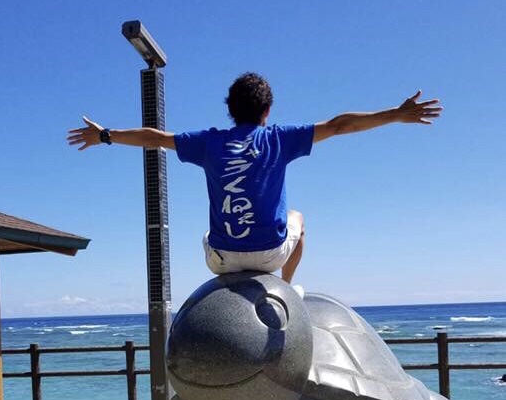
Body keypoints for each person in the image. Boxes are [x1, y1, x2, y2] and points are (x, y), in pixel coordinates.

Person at [67, 72, 442, 284]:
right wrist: (395, 114)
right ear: (268, 110)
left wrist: (105, 136)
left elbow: (155, 138)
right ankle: (286, 288)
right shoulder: (279, 138)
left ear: (230, 110)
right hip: (268, 257)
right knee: (298, 218)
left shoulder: (208, 142)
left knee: (206, 233)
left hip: (222, 259)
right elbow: (340, 125)